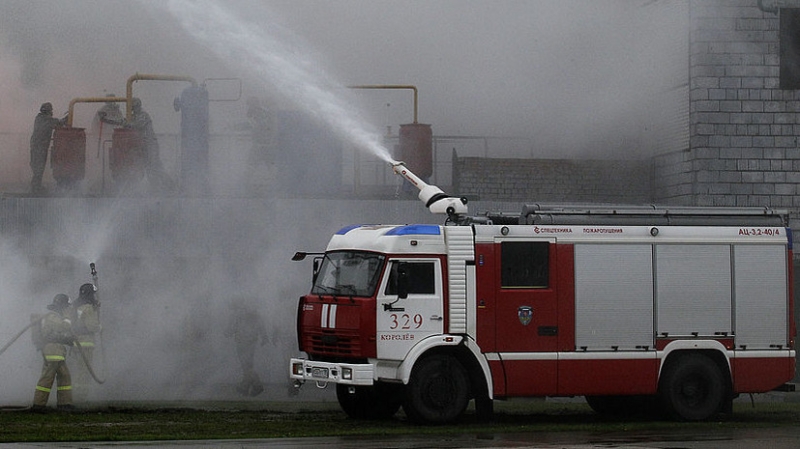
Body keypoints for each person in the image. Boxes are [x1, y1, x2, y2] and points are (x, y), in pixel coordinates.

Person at [100, 97, 173, 193]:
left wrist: (119, 121)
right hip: (142, 145)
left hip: (150, 145)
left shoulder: (143, 115)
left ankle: (169, 187)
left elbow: (133, 125)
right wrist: (106, 119)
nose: (131, 109)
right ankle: (158, 189)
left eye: (132, 106)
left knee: (154, 168)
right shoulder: (134, 116)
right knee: (147, 168)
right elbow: (122, 122)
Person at [32, 293, 75, 411]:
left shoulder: (54, 316)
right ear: (63, 306)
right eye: (67, 307)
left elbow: (58, 333)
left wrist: (67, 340)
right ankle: (38, 405)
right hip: (52, 352)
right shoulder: (52, 316)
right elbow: (63, 327)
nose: (68, 310)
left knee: (65, 376)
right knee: (47, 378)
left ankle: (65, 404)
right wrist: (67, 317)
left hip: (58, 352)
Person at [223, 298, 268, 396]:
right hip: (252, 340)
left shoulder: (237, 314)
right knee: (248, 364)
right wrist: (264, 336)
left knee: (246, 365)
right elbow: (260, 323)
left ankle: (257, 385)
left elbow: (231, 329)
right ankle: (245, 386)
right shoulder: (252, 311)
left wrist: (226, 333)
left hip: (242, 341)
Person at [69, 283, 101, 403]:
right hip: (86, 343)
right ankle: (80, 397)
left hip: (76, 343)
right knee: (84, 372)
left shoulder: (75, 307)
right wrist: (100, 327)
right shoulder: (88, 308)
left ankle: (74, 395)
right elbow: (92, 326)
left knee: (78, 370)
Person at [29, 102, 67, 195]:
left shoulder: (39, 118)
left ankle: (36, 186)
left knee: (37, 168)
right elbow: (59, 123)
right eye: (51, 111)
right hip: (40, 148)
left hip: (36, 146)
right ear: (49, 111)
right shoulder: (47, 120)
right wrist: (67, 118)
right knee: (39, 168)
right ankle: (35, 188)